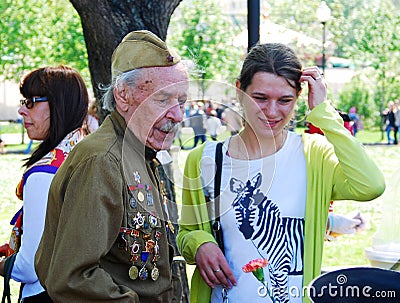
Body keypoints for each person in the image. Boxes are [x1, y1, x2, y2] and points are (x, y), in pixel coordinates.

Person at [177, 43, 385, 303]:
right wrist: (200, 244)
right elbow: (186, 232)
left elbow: (371, 185)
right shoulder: (205, 160)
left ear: (298, 97)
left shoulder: (314, 155)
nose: (272, 112)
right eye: (260, 98)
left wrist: (323, 113)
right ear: (239, 90)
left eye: (285, 100)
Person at [35, 30, 189, 303]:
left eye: (181, 101)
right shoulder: (103, 161)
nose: (177, 115)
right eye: (163, 100)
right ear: (123, 95)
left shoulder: (140, 152)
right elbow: (73, 279)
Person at [0, 65, 88, 302]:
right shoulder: (87, 157)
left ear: (59, 104)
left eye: (31, 101)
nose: (21, 110)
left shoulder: (44, 174)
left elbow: (31, 266)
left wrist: (4, 266)